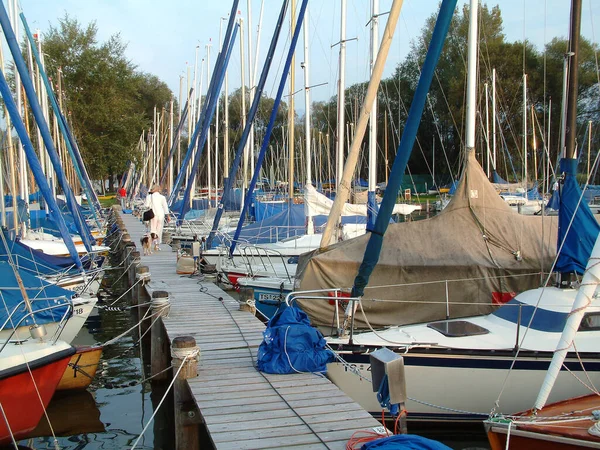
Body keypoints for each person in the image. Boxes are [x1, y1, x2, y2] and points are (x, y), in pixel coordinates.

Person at [144, 184, 170, 249]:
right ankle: (157, 244)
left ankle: (154, 242)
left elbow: (146, 205)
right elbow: (165, 207)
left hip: (153, 214)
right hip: (161, 214)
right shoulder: (162, 197)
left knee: (153, 229)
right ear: (158, 190)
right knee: (159, 229)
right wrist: (168, 216)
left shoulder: (149, 196)